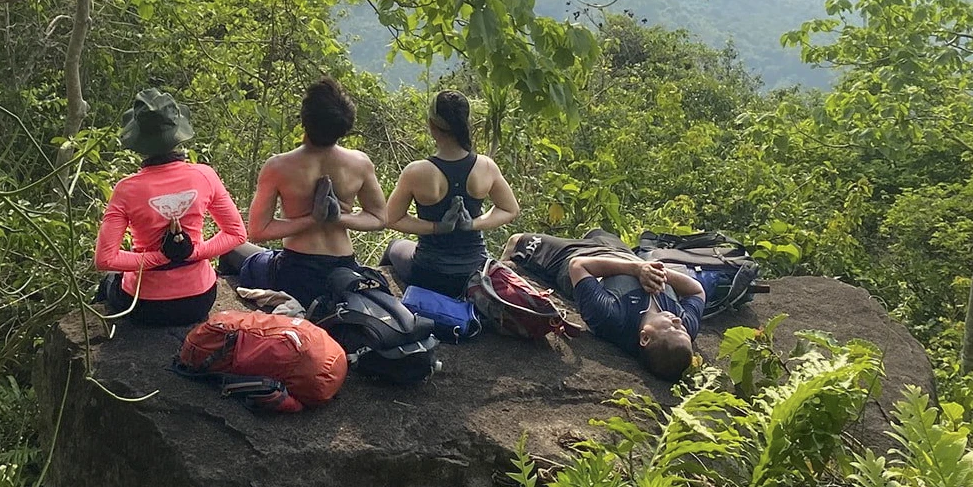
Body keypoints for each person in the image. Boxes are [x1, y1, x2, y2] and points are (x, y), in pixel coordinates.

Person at [223, 76, 387, 307]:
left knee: (232, 247)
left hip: (295, 272)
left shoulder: (278, 166)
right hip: (343, 269)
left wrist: (312, 219)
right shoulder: (360, 163)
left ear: (304, 119)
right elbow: (379, 218)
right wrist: (339, 218)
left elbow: (258, 230)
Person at [94, 88, 248, 326]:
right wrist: (192, 252)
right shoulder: (205, 175)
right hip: (199, 300)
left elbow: (105, 259)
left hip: (145, 305)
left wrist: (159, 257)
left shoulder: (126, 189)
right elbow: (236, 234)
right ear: (178, 134)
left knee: (110, 280)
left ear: (138, 141)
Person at [502, 229, 704, 381]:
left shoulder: (613, 319)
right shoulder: (684, 327)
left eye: (672, 328)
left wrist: (638, 269)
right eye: (683, 328)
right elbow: (697, 290)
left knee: (517, 240)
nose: (678, 321)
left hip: (579, 256)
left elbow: (578, 267)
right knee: (597, 230)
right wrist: (657, 272)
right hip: (623, 253)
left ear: (645, 337)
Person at [381, 90, 520, 297]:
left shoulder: (416, 171)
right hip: (473, 270)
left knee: (394, 246)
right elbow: (510, 209)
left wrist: (437, 227)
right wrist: (472, 224)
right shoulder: (486, 167)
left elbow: (390, 219)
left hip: (429, 271)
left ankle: (390, 307)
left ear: (432, 126)